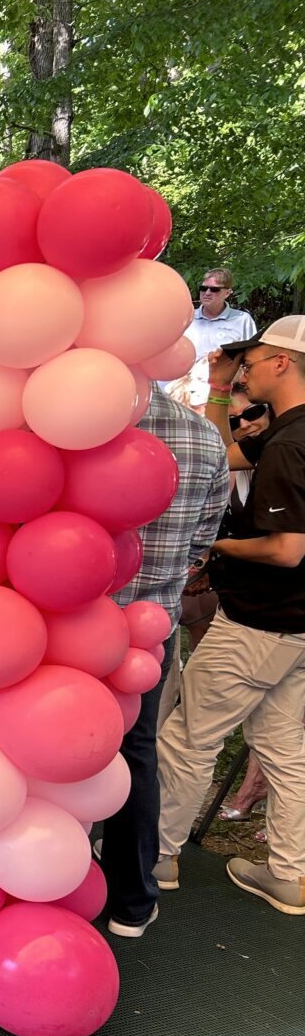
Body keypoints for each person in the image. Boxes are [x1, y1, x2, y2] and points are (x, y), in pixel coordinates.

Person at [155, 319, 305, 916]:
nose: (244, 369)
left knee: (188, 739)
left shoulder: (291, 444)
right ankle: (291, 873)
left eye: (253, 359)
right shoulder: (287, 432)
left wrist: (215, 548)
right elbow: (220, 457)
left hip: (259, 622)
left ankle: (156, 856)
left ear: (282, 363)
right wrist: (218, 390)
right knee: (283, 745)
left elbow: (287, 549)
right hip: (293, 627)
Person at [94, 384, 228, 935]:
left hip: (69, 626)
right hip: (149, 628)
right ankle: (132, 899)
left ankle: (49, 889)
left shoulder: (76, 428)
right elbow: (204, 538)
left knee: (46, 750)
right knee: (135, 753)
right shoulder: (202, 436)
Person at [174, 267, 257, 412]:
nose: (207, 293)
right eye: (203, 288)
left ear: (227, 292)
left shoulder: (242, 320)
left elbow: (251, 358)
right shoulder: (186, 317)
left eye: (214, 290)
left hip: (224, 392)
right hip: (187, 393)